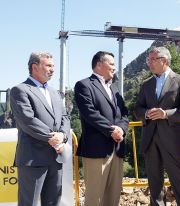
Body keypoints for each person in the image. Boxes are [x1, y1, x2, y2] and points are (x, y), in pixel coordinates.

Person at [134, 46, 180, 206]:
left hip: (172, 141)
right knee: (155, 187)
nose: (149, 63)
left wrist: (166, 114)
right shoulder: (146, 84)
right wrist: (146, 113)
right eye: (148, 60)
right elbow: (137, 109)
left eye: (153, 60)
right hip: (150, 141)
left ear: (165, 61)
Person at [10, 52, 70, 206]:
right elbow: (27, 120)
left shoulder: (54, 92)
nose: (52, 69)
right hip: (33, 159)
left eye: (53, 66)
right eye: (48, 65)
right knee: (28, 202)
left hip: (55, 158)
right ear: (34, 67)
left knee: (53, 202)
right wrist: (53, 138)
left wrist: (62, 136)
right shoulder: (20, 90)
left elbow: (64, 117)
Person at [74, 51, 129, 206]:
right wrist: (112, 130)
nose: (114, 68)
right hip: (96, 151)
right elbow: (90, 113)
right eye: (111, 64)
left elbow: (124, 113)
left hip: (116, 149)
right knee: (94, 198)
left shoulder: (115, 88)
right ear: (99, 65)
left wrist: (122, 130)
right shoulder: (83, 85)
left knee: (113, 197)